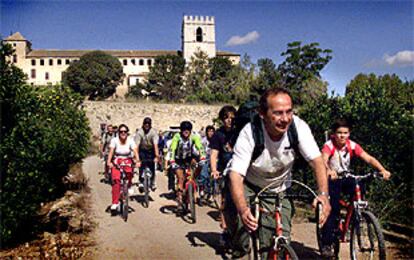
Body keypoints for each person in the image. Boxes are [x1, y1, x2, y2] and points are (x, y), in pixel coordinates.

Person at [227, 87, 331, 259]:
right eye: (278, 113)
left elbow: (317, 162)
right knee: (243, 230)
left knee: (279, 240)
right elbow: (236, 175)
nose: (285, 119)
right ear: (262, 113)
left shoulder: (298, 127)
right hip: (250, 184)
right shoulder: (249, 133)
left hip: (279, 186)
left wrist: (323, 195)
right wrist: (243, 209)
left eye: (289, 111)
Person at [319, 118, 391, 257]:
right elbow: (323, 159)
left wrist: (382, 170)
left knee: (360, 184)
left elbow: (368, 158)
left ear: (349, 134)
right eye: (339, 133)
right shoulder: (329, 145)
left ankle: (357, 215)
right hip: (332, 179)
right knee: (332, 210)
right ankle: (327, 243)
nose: (342, 136)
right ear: (333, 134)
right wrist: (328, 170)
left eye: (345, 133)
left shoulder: (352, 145)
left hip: (346, 177)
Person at [209, 105, 237, 247]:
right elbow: (214, 154)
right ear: (221, 119)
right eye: (226, 118)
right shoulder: (218, 135)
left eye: (231, 118)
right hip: (225, 172)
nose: (229, 121)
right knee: (225, 202)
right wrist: (214, 169)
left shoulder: (240, 132)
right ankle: (225, 231)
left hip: (240, 172)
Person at [168, 121, 206, 212]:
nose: (186, 131)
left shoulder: (194, 136)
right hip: (178, 160)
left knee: (197, 168)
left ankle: (192, 183)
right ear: (181, 130)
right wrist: (172, 161)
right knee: (180, 178)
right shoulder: (177, 137)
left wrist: (203, 157)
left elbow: (200, 147)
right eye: (184, 130)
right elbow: (172, 149)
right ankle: (180, 200)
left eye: (188, 130)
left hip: (189, 159)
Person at [106, 124, 140, 212]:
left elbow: (135, 151)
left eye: (125, 131)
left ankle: (128, 186)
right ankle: (115, 202)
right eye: (121, 131)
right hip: (117, 159)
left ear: (127, 132)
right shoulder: (114, 140)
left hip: (127, 159)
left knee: (129, 173)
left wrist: (138, 161)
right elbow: (111, 152)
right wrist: (109, 162)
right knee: (116, 180)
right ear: (118, 133)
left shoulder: (130, 141)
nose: (123, 133)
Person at [134, 117, 160, 191]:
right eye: (145, 124)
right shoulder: (139, 132)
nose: (147, 125)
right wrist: (137, 158)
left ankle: (152, 183)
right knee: (142, 165)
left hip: (151, 150)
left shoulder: (153, 132)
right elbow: (137, 146)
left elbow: (155, 145)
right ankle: (141, 181)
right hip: (142, 150)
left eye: (148, 124)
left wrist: (157, 156)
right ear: (143, 124)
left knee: (152, 166)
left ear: (150, 125)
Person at [198, 125, 215, 201]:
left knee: (213, 177)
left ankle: (212, 193)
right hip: (205, 159)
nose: (211, 133)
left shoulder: (216, 140)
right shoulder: (203, 141)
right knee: (203, 174)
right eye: (209, 131)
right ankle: (201, 189)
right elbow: (199, 149)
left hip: (214, 160)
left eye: (212, 131)